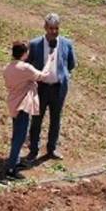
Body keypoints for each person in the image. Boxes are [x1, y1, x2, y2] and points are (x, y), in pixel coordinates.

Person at [2, 40, 57, 179]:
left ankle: (16, 161)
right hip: (22, 106)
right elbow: (43, 76)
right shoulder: (25, 68)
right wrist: (50, 61)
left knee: (16, 134)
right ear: (24, 53)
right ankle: (11, 170)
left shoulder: (7, 68)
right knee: (19, 138)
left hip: (13, 103)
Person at [26, 13, 77, 162]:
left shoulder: (66, 43)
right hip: (40, 88)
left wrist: (64, 75)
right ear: (45, 28)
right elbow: (28, 64)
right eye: (50, 28)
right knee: (37, 119)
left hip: (58, 88)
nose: (53, 32)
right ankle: (33, 150)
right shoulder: (35, 44)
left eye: (56, 28)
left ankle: (52, 149)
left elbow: (71, 63)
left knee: (56, 119)